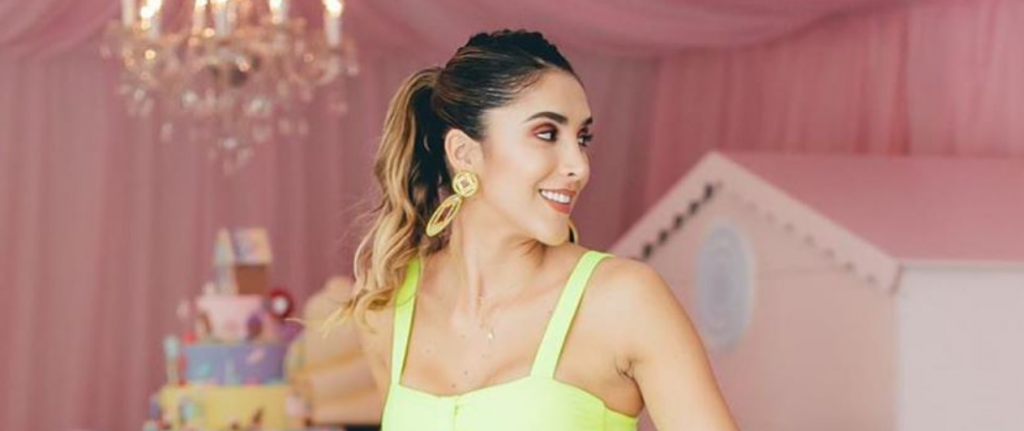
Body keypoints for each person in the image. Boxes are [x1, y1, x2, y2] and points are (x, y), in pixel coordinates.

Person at [330, 29, 741, 431]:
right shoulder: (387, 307)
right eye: (547, 134)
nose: (579, 166)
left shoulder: (624, 300)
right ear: (464, 153)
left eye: (582, 138)